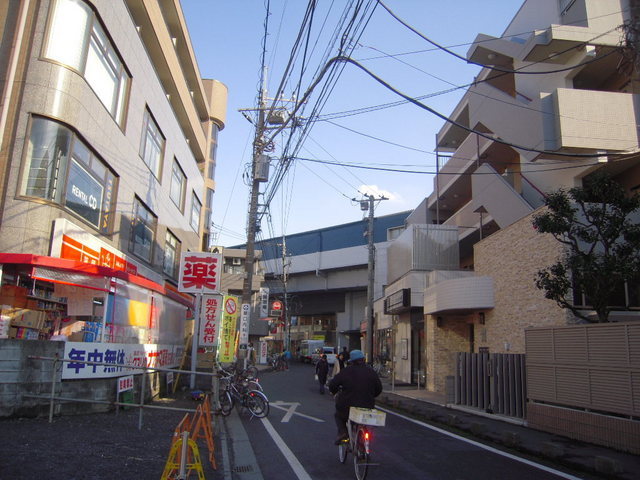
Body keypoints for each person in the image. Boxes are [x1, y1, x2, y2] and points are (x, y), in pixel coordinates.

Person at [328, 349, 382, 445]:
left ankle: (343, 433)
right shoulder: (371, 372)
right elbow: (379, 388)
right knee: (364, 422)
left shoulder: (346, 371)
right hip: (367, 405)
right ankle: (363, 444)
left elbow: (333, 385)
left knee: (338, 415)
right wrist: (370, 395)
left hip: (347, 406)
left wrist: (334, 392)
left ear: (351, 361)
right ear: (363, 359)